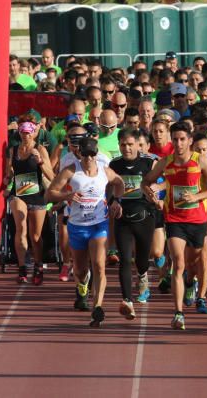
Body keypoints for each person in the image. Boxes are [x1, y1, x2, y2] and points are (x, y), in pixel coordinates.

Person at [142, 121, 207, 330]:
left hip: (197, 220)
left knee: (192, 263)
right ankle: (178, 313)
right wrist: (152, 195)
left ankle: (191, 282)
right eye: (176, 139)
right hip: (174, 219)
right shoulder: (165, 162)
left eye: (182, 139)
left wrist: (198, 196)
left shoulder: (201, 162)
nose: (179, 143)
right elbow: (146, 181)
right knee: (178, 264)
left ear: (189, 141)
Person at [44, 137, 125, 327]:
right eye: (85, 154)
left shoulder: (104, 171)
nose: (89, 158)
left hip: (99, 224)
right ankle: (82, 285)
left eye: (92, 154)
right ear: (79, 153)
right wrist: (67, 196)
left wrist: (116, 200)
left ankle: (98, 306)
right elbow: (49, 194)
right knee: (80, 270)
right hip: (77, 226)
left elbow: (119, 182)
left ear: (97, 154)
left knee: (99, 265)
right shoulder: (70, 171)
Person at [109, 130, 162, 318]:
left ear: (138, 145)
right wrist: (113, 201)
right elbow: (108, 188)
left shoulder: (148, 162)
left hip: (145, 217)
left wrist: (158, 187)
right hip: (123, 218)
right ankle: (127, 300)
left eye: (130, 144)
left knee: (141, 260)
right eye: (123, 144)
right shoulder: (114, 165)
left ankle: (143, 275)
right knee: (124, 259)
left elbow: (168, 179)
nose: (127, 148)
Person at [2, 120, 54, 284]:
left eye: (29, 132)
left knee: (36, 235)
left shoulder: (40, 149)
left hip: (37, 194)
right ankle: (22, 268)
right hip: (19, 193)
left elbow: (51, 176)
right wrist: (8, 177)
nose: (26, 135)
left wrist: (40, 162)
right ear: (19, 133)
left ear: (35, 133)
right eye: (23, 132)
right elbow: (9, 172)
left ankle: (38, 266)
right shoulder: (13, 149)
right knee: (21, 228)